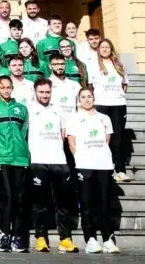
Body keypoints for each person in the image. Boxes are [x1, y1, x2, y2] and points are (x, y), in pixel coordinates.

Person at [67, 87, 120, 253]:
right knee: (87, 203)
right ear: (79, 100)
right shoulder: (74, 119)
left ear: (94, 98)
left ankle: (108, 239)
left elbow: (107, 140)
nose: (87, 100)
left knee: (104, 203)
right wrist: (82, 159)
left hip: (103, 165)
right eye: (83, 97)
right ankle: (90, 239)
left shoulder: (104, 118)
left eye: (89, 97)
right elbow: (71, 143)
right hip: (84, 166)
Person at [28, 78, 78, 253]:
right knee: (38, 203)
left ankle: (65, 238)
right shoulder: (28, 109)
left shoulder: (59, 110)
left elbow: (64, 134)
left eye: (47, 92)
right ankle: (40, 238)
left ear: (51, 92)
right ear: (35, 92)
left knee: (63, 202)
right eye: (41, 92)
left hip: (59, 161)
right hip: (37, 161)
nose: (44, 95)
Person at [0, 76, 29, 252]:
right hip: (2, 158)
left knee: (20, 199)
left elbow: (24, 132)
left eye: (8, 87)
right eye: (2, 87)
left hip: (20, 158)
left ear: (12, 88)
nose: (6, 90)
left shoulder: (21, 109)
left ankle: (18, 236)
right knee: (8, 197)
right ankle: (5, 234)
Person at [90, 39, 129, 182]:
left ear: (111, 49)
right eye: (102, 47)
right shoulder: (93, 65)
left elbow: (125, 85)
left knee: (118, 138)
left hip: (118, 104)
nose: (105, 49)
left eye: (107, 47)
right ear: (98, 50)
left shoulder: (119, 65)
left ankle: (120, 169)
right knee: (103, 138)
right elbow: (90, 86)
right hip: (101, 104)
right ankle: (106, 167)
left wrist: (117, 96)